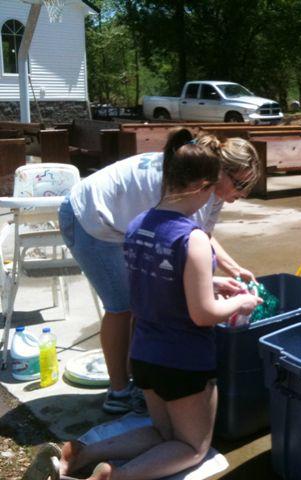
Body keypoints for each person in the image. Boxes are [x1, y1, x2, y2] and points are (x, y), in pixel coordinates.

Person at [54, 130, 263, 480]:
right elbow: (202, 314)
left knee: (166, 434)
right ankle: (115, 477)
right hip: (183, 362)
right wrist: (241, 300)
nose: (223, 199)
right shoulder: (192, 238)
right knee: (193, 446)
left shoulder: (136, 225)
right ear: (202, 185)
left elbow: (156, 275)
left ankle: (84, 452)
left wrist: (210, 279)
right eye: (220, 188)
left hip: (145, 357)